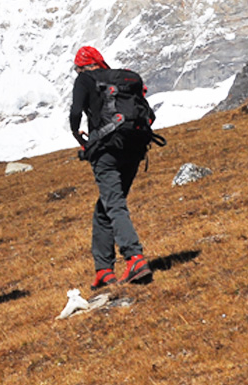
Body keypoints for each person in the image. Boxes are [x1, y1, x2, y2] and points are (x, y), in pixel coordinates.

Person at [69, 46, 154, 289]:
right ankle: (104, 270)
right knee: (105, 207)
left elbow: (75, 112)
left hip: (106, 150)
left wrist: (78, 133)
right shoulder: (124, 78)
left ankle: (135, 258)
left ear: (81, 67)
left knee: (114, 203)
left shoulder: (85, 80)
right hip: (134, 148)